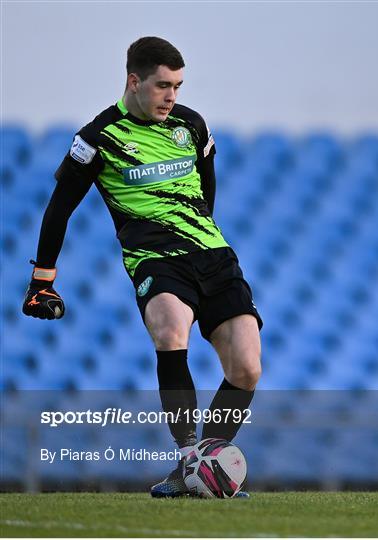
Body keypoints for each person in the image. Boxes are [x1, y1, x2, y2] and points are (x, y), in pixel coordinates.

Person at [22, 36, 263, 497]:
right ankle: (190, 454)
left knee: (248, 368)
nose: (172, 96)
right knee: (171, 330)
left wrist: (198, 232)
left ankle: (192, 474)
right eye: (162, 86)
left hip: (212, 254)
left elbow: (206, 187)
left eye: (178, 85)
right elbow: (59, 208)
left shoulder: (191, 125)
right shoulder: (97, 139)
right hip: (154, 257)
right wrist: (42, 279)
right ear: (134, 81)